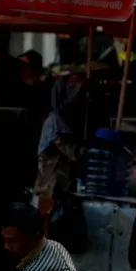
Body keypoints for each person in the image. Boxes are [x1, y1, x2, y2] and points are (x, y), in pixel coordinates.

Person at [34, 74, 87, 234]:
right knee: (45, 231)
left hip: (59, 187)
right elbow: (72, 152)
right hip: (49, 188)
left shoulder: (63, 121)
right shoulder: (55, 122)